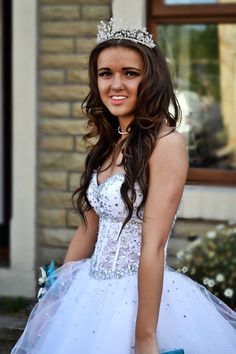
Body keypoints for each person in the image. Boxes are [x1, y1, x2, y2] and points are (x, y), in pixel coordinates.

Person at [11, 18, 236, 354]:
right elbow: (88, 227)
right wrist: (55, 300)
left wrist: (144, 337)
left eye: (130, 73)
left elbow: (154, 247)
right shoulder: (108, 141)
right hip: (88, 290)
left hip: (137, 296)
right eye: (106, 74)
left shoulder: (167, 143)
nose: (116, 84)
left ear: (152, 79)